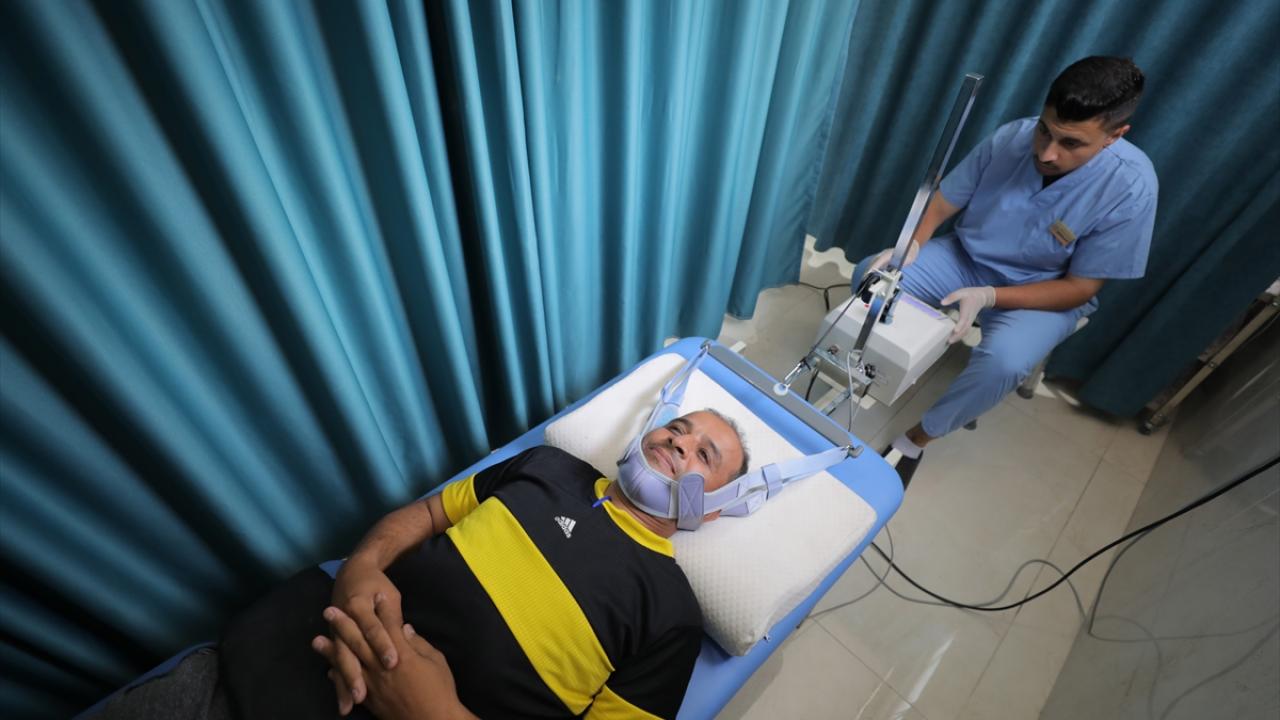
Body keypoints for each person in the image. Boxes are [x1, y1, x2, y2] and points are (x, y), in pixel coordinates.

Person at [95, 409, 749, 720]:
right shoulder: (550, 467)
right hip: (274, 663)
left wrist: (432, 714)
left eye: (704, 455)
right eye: (678, 427)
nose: (678, 442)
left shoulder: (671, 614)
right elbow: (427, 514)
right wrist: (362, 565)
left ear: (711, 509)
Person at [866, 56, 1158, 484]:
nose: (1046, 152)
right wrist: (912, 243)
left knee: (1002, 363)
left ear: (1115, 136)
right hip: (966, 258)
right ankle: (884, 370)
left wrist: (990, 297)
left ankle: (916, 440)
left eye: (1071, 143)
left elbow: (1080, 287)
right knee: (873, 281)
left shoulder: (1132, 187)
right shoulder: (1012, 137)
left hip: (1044, 292)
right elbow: (944, 201)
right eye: (1045, 129)